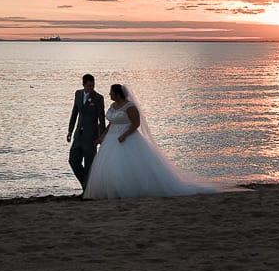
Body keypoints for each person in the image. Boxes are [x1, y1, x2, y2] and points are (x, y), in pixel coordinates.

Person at [84, 83, 220, 199]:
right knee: (110, 167)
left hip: (126, 137)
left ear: (118, 94)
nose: (110, 95)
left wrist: (125, 135)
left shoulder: (129, 106)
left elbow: (136, 123)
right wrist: (102, 136)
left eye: (111, 93)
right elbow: (112, 123)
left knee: (127, 167)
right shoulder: (113, 106)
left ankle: (129, 190)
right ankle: (112, 191)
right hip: (111, 139)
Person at [66, 73, 105, 190]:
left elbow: (101, 119)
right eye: (89, 86)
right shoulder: (78, 94)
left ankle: (87, 190)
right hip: (78, 135)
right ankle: (87, 185)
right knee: (73, 160)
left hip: (91, 137)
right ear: (83, 85)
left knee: (89, 165)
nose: (91, 88)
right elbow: (74, 113)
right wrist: (70, 131)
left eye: (93, 85)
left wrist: (101, 137)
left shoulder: (98, 98)